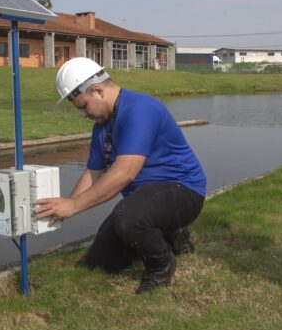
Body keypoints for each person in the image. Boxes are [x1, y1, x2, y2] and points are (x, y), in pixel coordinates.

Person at [33, 57, 207, 294]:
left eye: (83, 106)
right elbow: (94, 173)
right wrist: (65, 208)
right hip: (146, 200)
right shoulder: (101, 126)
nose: (84, 114)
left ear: (97, 90)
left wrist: (74, 205)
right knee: (100, 263)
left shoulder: (140, 109)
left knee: (127, 218)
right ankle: (168, 233)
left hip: (183, 192)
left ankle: (161, 265)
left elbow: (124, 173)